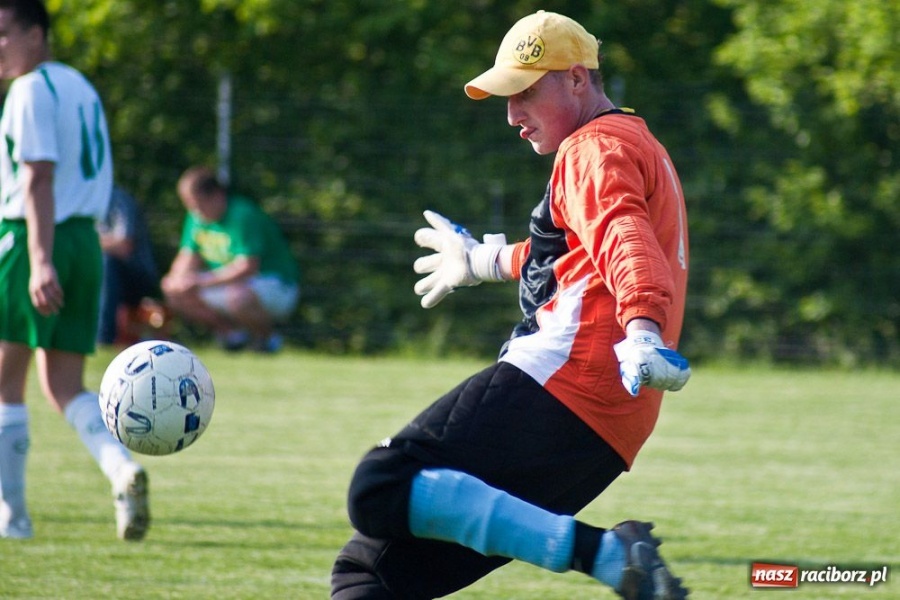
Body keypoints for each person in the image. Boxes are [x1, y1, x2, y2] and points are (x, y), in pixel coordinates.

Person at [331, 11, 691, 600]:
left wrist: (644, 329)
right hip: (606, 429)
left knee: (381, 485)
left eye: (524, 92)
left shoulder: (592, 149)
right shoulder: (626, 142)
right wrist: (481, 261)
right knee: (368, 578)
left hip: (565, 385)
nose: (512, 116)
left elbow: (625, 240)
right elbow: (577, 255)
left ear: (577, 79)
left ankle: (604, 554)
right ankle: (606, 555)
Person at [0, 0, 149, 541]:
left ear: (36, 35)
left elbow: (37, 177)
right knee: (63, 385)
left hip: (33, 237)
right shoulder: (79, 85)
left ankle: (12, 522)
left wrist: (39, 260)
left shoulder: (29, 88)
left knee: (4, 385)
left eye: (3, 34)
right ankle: (120, 468)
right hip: (86, 241)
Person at [161, 166, 300, 353]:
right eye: (190, 205)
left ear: (217, 195)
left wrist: (200, 281)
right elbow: (186, 259)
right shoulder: (196, 217)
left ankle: (268, 341)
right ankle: (233, 336)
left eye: (199, 204)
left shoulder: (243, 215)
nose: (195, 211)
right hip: (227, 285)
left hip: (275, 285)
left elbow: (247, 268)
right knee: (173, 290)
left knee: (238, 296)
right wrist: (177, 281)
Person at [97, 185, 162, 346]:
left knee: (107, 262)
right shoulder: (81, 202)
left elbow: (123, 246)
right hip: (100, 272)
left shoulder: (118, 199)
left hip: (137, 276)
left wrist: (86, 242)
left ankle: (103, 338)